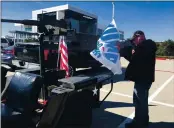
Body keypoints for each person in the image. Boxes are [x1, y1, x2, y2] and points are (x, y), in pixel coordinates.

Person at [124, 30, 157, 128]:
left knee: (140, 102)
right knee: (139, 101)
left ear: (140, 37)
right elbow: (134, 59)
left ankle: (139, 123)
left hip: (144, 80)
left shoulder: (149, 44)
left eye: (135, 40)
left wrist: (135, 48)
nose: (134, 43)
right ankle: (141, 121)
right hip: (141, 79)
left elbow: (145, 48)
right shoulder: (141, 49)